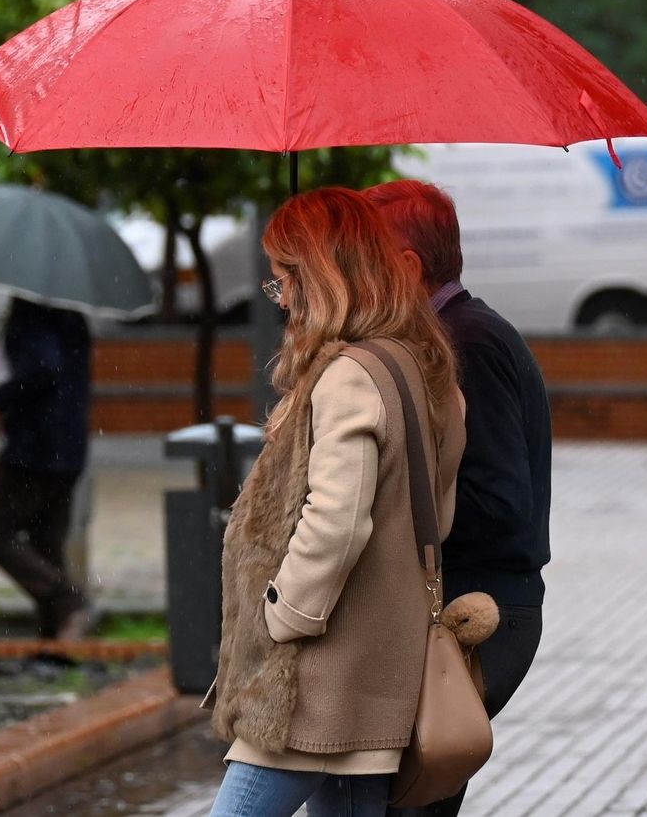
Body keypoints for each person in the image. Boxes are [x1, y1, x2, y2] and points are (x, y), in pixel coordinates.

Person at [206, 187, 467, 817]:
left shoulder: (350, 373)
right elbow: (439, 503)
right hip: (376, 671)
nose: (283, 299)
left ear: (319, 277)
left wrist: (283, 614)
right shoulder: (416, 362)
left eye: (284, 281)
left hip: (314, 681)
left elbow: (337, 518)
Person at [362, 180, 553, 817]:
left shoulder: (465, 342)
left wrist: (379, 510)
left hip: (480, 613)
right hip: (465, 607)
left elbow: (501, 506)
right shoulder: (450, 335)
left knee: (403, 799)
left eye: (365, 259)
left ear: (408, 266)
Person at [0, 297, 94, 639]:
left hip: (33, 449)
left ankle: (68, 604)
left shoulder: (30, 313)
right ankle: (57, 641)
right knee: (46, 543)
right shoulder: (72, 314)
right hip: (69, 449)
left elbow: (42, 368)